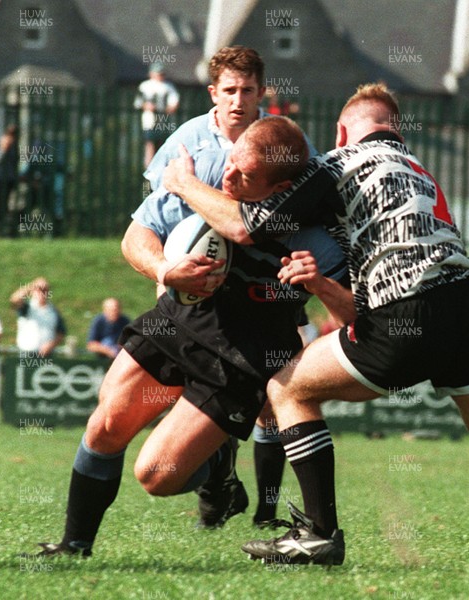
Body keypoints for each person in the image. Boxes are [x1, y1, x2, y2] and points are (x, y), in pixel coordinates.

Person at [163, 83, 469, 566]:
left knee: (289, 390)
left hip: (405, 309)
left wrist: (184, 182)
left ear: (341, 132)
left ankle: (319, 534)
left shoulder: (338, 163)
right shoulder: (419, 171)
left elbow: (247, 227)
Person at [31, 123, 350, 562]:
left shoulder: (318, 239)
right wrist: (165, 270)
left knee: (155, 476)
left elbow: (355, 316)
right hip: (175, 324)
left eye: (246, 176)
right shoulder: (206, 170)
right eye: (232, 161)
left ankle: (218, 466)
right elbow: (137, 234)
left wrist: (319, 286)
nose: (229, 177)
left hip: (240, 360)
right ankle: (73, 546)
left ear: (282, 188)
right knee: (106, 425)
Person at [145, 45, 318, 527]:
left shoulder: (285, 142)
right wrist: (165, 273)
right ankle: (219, 475)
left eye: (248, 90)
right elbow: (157, 217)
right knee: (197, 397)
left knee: (271, 399)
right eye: (229, 91)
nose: (239, 100)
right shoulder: (186, 140)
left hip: (266, 289)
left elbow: (308, 201)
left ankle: (264, 509)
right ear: (213, 94)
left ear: (262, 92)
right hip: (199, 292)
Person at [134, 62, 180, 169]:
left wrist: (168, 108)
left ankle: (160, 168)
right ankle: (149, 169)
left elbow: (174, 102)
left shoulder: (168, 87)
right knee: (149, 145)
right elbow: (138, 102)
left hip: (164, 120)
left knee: (162, 145)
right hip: (149, 121)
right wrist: (147, 106)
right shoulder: (145, 86)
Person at [10, 277, 66, 357]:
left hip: (46, 355)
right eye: (39, 290)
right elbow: (14, 299)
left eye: (44, 290)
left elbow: (61, 333)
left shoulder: (53, 311)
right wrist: (31, 286)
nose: (41, 293)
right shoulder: (27, 307)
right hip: (26, 354)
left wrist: (50, 345)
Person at [0, 124, 19, 234]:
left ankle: (4, 226)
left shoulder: (15, 146)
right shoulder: (0, 142)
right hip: (0, 178)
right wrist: (3, 149)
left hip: (10, 179)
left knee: (7, 203)